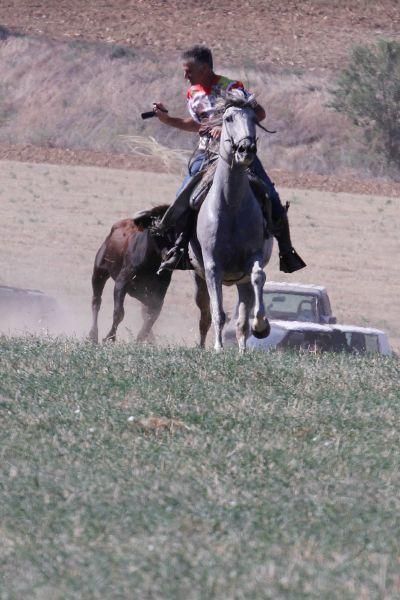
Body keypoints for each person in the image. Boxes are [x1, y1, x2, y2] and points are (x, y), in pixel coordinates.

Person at [153, 45, 306, 274]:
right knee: (182, 199)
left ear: (204, 68)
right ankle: (179, 249)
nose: (186, 76)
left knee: (271, 196)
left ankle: (286, 251)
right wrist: (167, 120)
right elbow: (197, 125)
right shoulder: (192, 93)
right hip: (206, 154)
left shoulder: (232, 88)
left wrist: (224, 129)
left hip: (238, 155)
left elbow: (259, 113)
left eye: (189, 70)